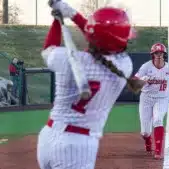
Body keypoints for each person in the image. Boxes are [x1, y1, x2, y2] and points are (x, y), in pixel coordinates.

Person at [37, 0, 144, 168]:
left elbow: (48, 50)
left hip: (47, 138)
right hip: (77, 146)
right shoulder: (123, 66)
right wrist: (71, 14)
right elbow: (100, 36)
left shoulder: (68, 59)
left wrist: (58, 20)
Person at [134, 43, 169, 159]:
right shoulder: (146, 67)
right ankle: (148, 140)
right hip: (146, 98)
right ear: (152, 55)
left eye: (161, 53)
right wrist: (143, 80)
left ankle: (158, 150)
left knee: (158, 119)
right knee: (145, 132)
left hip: (162, 98)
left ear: (164, 54)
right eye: (156, 53)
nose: (159, 55)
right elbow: (135, 80)